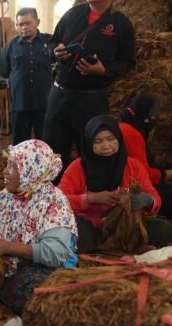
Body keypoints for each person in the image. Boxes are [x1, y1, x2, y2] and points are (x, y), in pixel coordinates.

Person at [0, 140, 78, 315]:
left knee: (41, 298)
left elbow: (57, 253)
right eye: (8, 164)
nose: (5, 171)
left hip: (42, 268)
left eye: (13, 166)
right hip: (8, 265)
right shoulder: (5, 196)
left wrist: (7, 247)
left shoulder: (53, 201)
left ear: (30, 171)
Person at [44, 0, 135, 181]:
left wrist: (104, 70)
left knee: (92, 153)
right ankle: (53, 200)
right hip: (59, 94)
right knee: (52, 153)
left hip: (92, 100)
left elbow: (128, 62)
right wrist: (56, 51)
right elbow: (52, 43)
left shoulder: (121, 23)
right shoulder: (72, 14)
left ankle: (89, 200)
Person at [58, 115, 172, 252]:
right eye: (98, 141)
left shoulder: (133, 165)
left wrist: (147, 201)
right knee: (76, 233)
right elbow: (59, 200)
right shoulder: (77, 167)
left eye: (111, 139)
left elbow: (155, 198)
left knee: (164, 229)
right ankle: (119, 244)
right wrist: (91, 198)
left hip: (127, 226)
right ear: (88, 143)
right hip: (91, 225)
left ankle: (116, 243)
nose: (106, 145)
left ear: (119, 139)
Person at [0, 8, 53, 145]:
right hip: (19, 104)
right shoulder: (10, 47)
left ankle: (46, 167)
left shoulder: (50, 42)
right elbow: (4, 71)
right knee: (19, 145)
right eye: (20, 24)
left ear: (37, 22)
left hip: (45, 104)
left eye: (28, 23)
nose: (24, 27)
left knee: (46, 143)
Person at [119, 93, 172, 218]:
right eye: (152, 115)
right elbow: (144, 174)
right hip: (131, 191)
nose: (154, 118)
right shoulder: (133, 134)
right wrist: (167, 174)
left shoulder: (123, 124)